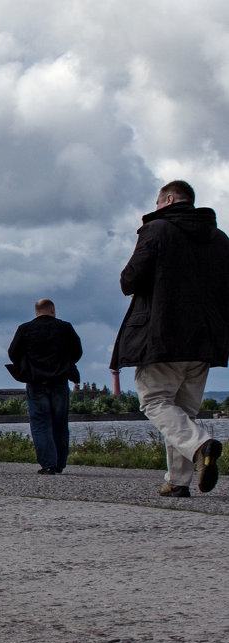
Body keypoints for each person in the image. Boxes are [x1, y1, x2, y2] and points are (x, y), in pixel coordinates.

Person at [110, 180, 229, 498]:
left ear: (170, 199)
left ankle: (200, 444)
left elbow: (130, 279)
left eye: (158, 202)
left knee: (155, 401)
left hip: (162, 335)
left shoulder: (158, 229)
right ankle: (178, 482)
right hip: (204, 341)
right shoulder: (219, 239)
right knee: (182, 412)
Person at [7, 299, 82, 474]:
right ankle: (59, 464)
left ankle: (48, 464)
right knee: (60, 424)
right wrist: (63, 363)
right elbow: (77, 351)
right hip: (60, 382)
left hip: (36, 382)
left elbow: (13, 353)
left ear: (36, 312)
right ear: (52, 310)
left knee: (40, 424)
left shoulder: (25, 329)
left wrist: (29, 365)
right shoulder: (65, 327)